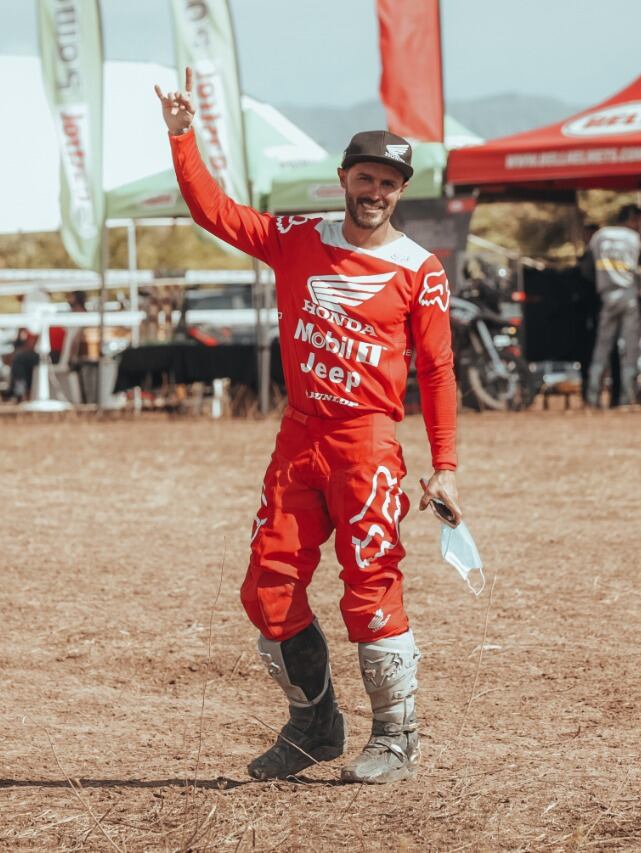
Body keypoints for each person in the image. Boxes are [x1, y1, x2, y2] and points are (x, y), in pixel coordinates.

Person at [158, 69, 460, 785]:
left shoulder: (420, 269)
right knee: (268, 584)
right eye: (365, 177)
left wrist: (445, 464)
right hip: (298, 437)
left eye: (389, 182)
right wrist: (180, 136)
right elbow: (214, 212)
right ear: (343, 177)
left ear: (400, 190)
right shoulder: (294, 238)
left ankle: (398, 736)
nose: (376, 191)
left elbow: (439, 370)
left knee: (371, 583)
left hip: (368, 440)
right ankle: (314, 721)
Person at [585, 205, 641, 407]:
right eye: (638, 221)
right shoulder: (633, 238)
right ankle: (627, 398)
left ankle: (592, 397)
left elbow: (587, 266)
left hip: (606, 296)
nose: (639, 226)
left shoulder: (600, 236)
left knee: (602, 348)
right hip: (628, 295)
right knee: (630, 349)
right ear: (631, 219)